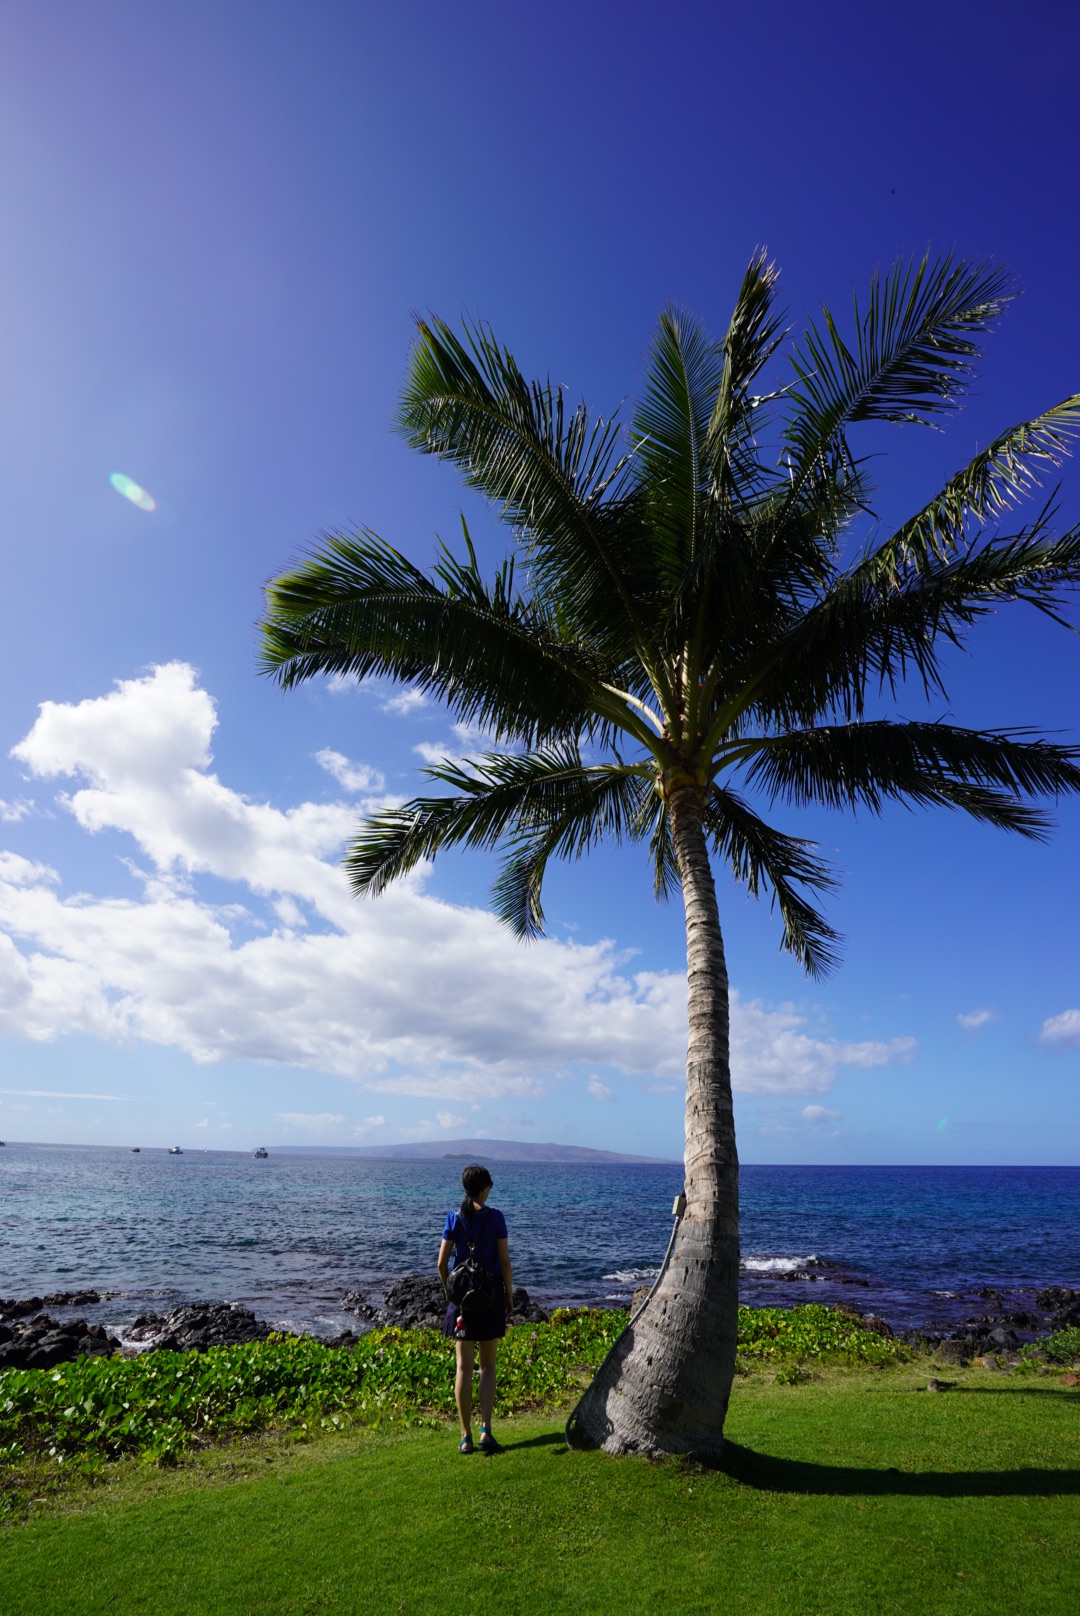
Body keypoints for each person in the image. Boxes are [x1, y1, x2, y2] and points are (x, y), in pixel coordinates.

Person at [437, 1163, 513, 1454]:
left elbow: (441, 1264)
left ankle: (465, 1436)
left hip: (462, 1304)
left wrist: (450, 1294)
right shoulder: (496, 1218)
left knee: (463, 1369)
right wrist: (507, 1296)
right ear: (484, 1187)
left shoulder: (453, 1218)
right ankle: (486, 1432)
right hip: (489, 1297)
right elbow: (504, 1262)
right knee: (488, 1366)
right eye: (490, 1184)